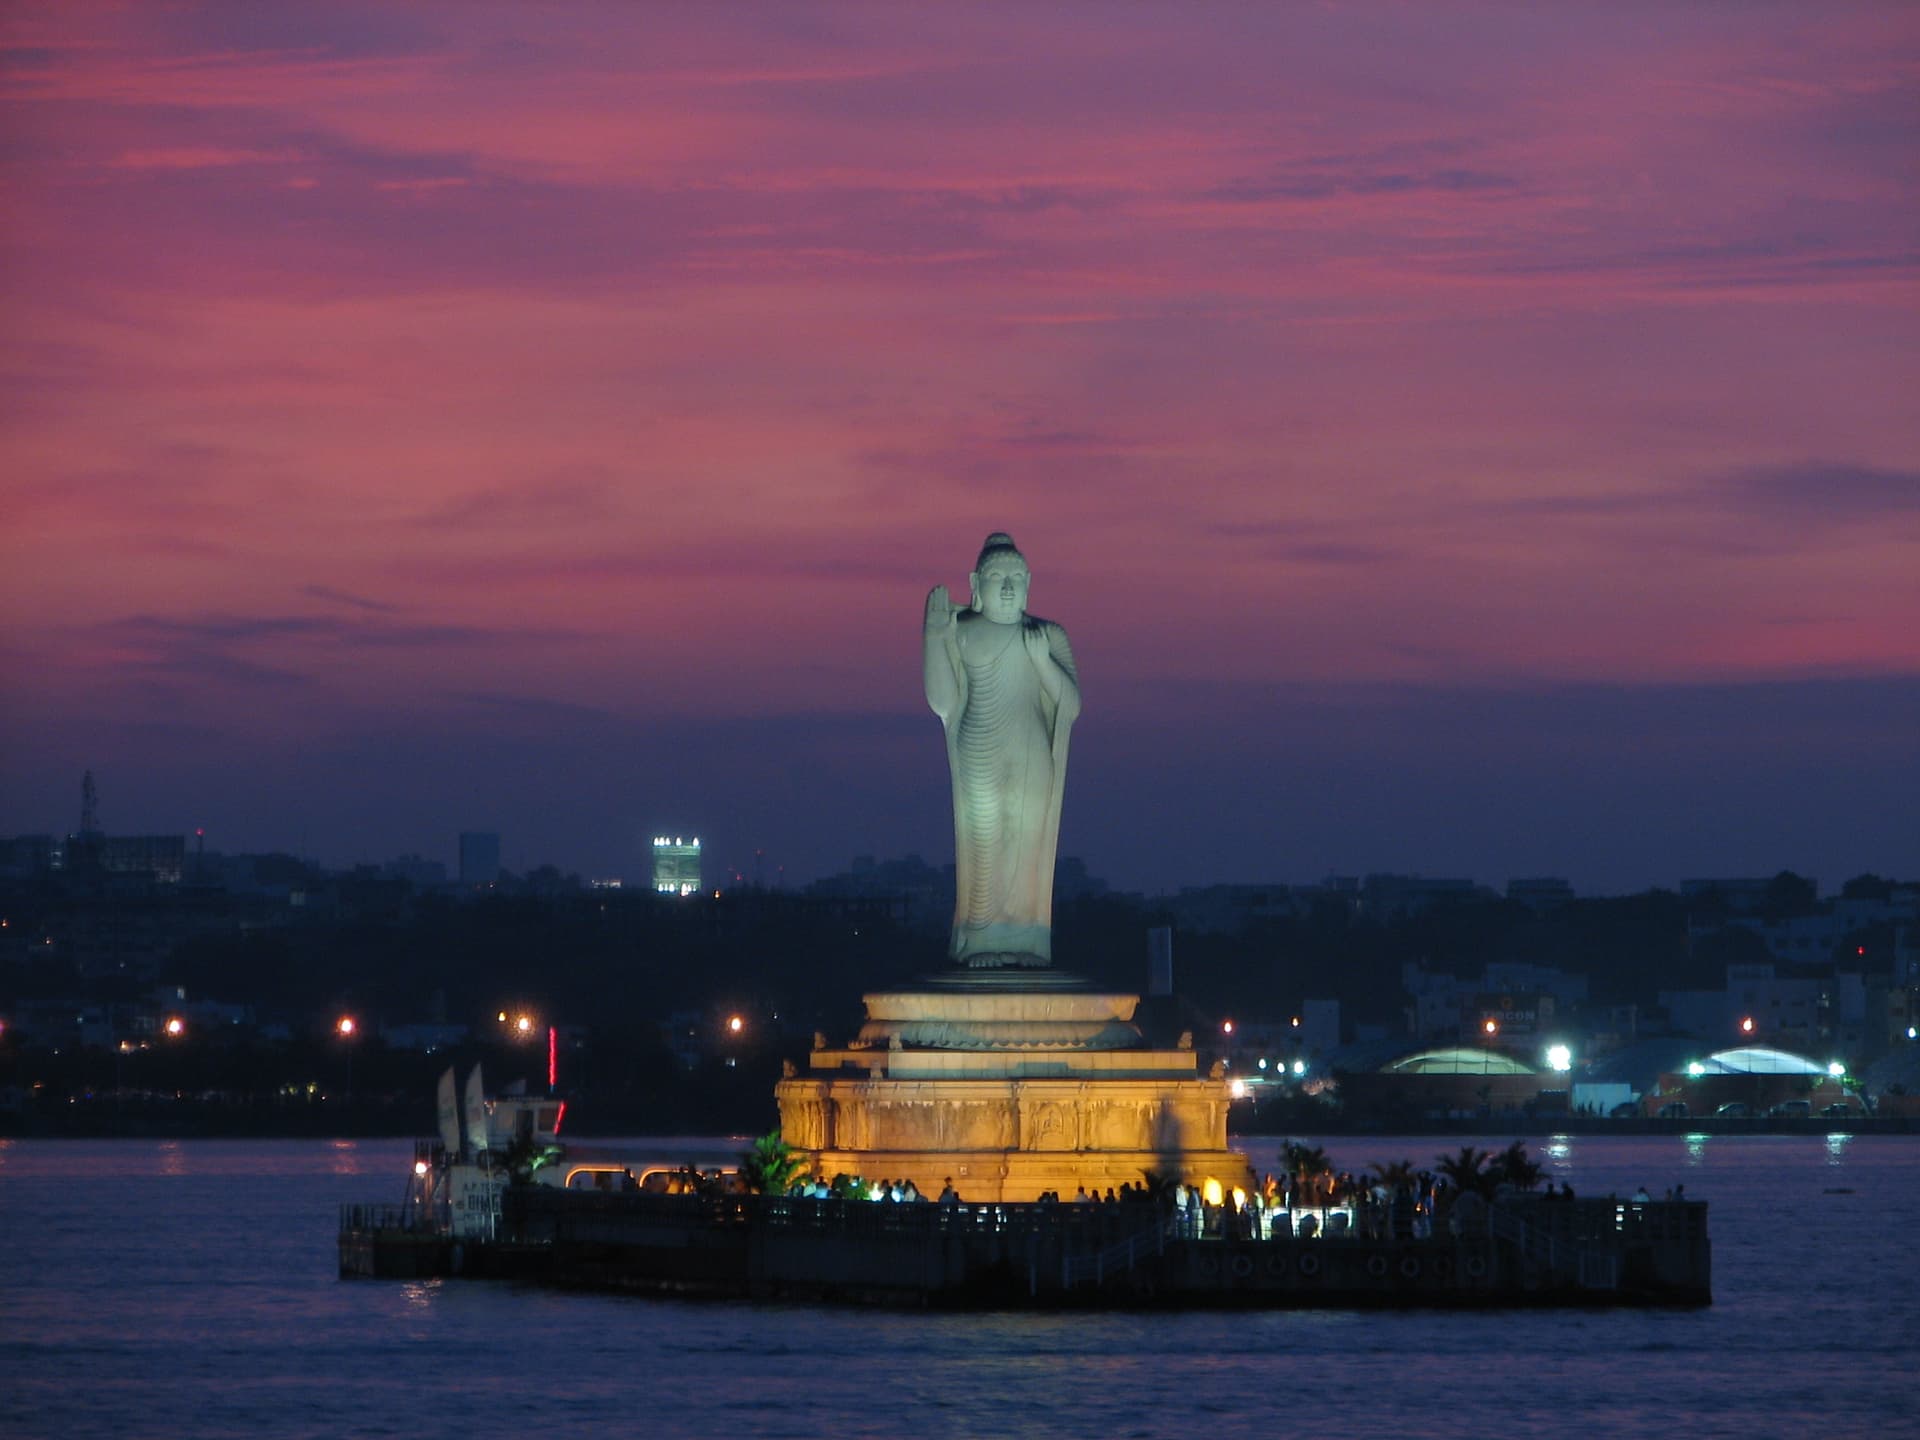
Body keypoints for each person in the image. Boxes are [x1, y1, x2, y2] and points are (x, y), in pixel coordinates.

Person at [924, 533, 1081, 968]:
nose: (1007, 587)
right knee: (985, 841)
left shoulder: (1047, 634)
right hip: (979, 743)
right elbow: (941, 701)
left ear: (1029, 582)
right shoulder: (963, 631)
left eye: (1015, 578)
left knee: (1024, 845)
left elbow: (1070, 705)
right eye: (996, 578)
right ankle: (980, 940)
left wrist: (1043, 662)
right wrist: (935, 637)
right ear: (976, 583)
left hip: (1031, 752)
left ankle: (1026, 940)